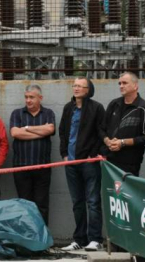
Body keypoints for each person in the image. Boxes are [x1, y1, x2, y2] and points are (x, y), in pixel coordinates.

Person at [59, 77, 105, 252]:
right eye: (74, 85)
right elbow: (63, 132)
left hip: (88, 162)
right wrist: (64, 155)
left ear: (88, 89)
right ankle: (79, 239)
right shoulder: (68, 108)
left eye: (80, 86)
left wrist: (92, 155)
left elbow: (101, 132)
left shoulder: (96, 108)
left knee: (93, 201)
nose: (76, 88)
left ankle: (95, 239)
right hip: (70, 162)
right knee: (77, 202)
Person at [9, 84, 56, 225]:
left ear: (40, 98)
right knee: (24, 205)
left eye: (31, 97)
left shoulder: (48, 113)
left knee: (42, 205)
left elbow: (50, 129)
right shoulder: (17, 113)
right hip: (21, 167)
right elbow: (15, 133)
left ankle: (42, 239)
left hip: (42, 167)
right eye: (26, 97)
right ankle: (27, 239)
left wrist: (28, 128)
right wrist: (40, 133)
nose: (28, 100)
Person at [103, 72, 145, 176]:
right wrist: (107, 141)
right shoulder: (114, 104)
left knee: (127, 192)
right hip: (109, 161)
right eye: (120, 83)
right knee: (110, 192)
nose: (121, 86)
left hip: (130, 164)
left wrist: (122, 142)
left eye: (125, 83)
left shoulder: (142, 108)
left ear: (135, 86)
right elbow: (101, 128)